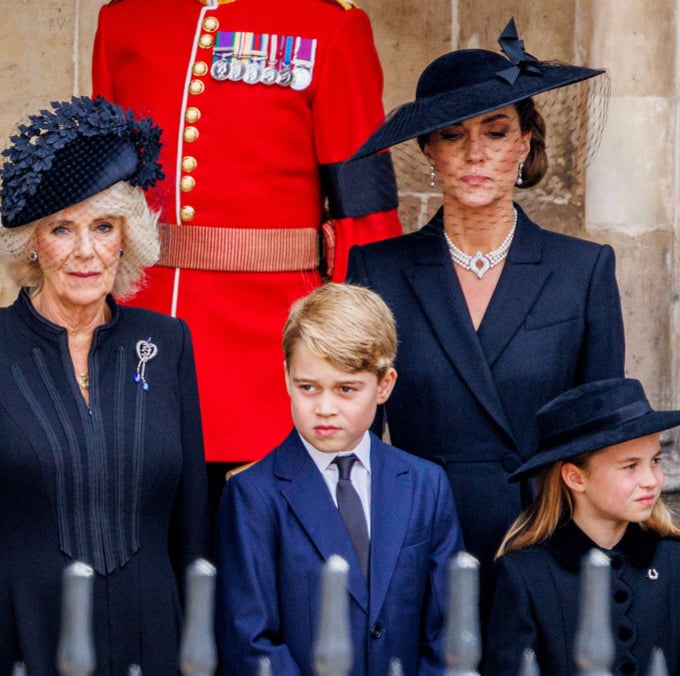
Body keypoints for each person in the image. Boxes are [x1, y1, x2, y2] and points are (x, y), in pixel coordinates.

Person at [0, 96, 208, 676]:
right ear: (30, 242)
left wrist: (205, 643)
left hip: (150, 640)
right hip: (13, 637)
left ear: (126, 238)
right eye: (61, 228)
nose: (85, 250)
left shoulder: (167, 342)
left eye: (103, 227)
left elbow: (192, 521)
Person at [344, 19, 624, 614]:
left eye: (495, 132)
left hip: (542, 547)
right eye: (452, 135)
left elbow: (599, 440)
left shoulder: (583, 270)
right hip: (415, 541)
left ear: (523, 144)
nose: (475, 153)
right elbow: (355, 434)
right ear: (428, 151)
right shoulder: (377, 269)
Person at [92, 0, 403, 494]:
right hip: (138, 341)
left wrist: (353, 354)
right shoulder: (126, 18)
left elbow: (362, 214)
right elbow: (100, 197)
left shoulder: (330, 24)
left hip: (268, 356)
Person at [215, 283, 463, 675]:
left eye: (346, 389)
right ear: (286, 378)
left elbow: (446, 632)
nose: (325, 408)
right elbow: (250, 641)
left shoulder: (425, 486)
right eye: (308, 387)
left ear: (384, 385)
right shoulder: (252, 495)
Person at [486, 378, 680, 675]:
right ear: (576, 478)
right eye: (630, 466)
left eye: (655, 461)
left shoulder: (673, 561)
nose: (651, 480)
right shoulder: (525, 576)